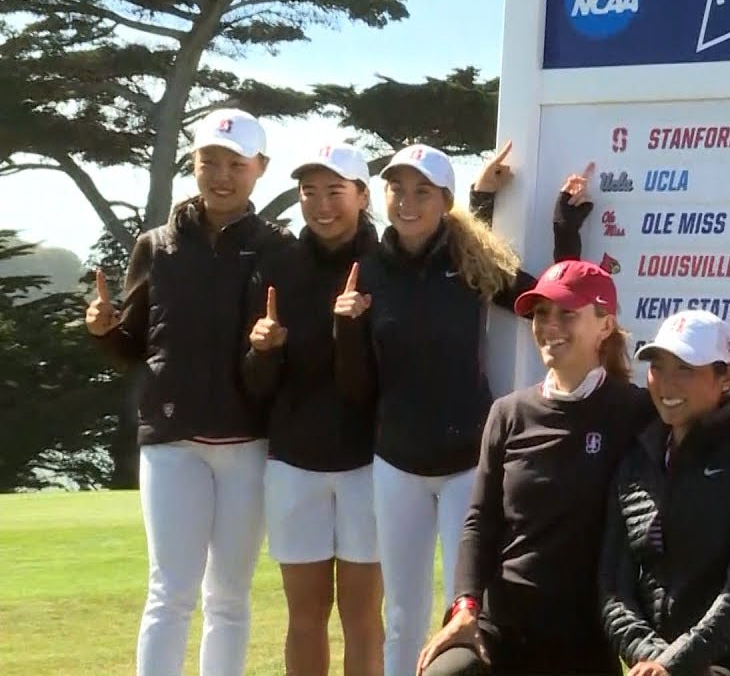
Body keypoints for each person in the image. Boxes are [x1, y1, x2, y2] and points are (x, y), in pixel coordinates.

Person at [416, 261, 730, 676]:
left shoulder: (637, 412)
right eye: (541, 313)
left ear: (605, 326)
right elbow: (480, 521)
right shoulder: (510, 414)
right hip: (505, 626)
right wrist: (465, 605)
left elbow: (710, 422)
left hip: (588, 639)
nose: (550, 325)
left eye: (567, 313)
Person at [332, 141, 595, 676]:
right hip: (396, 462)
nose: (407, 202)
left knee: (470, 612)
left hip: (467, 467)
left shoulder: (470, 263)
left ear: (445, 200)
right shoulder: (369, 270)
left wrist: (565, 225)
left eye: (422, 192)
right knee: (402, 615)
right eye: (397, 190)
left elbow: (548, 300)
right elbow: (357, 384)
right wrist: (346, 327)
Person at [84, 108, 293, 676]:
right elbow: (134, 345)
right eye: (209, 162)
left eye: (236, 164)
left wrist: (270, 347)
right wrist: (104, 331)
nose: (221, 176)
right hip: (171, 440)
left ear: (260, 167)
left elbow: (288, 354)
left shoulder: (279, 247)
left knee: (228, 596)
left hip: (247, 441)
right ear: (193, 164)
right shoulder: (156, 246)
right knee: (169, 591)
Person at [241, 142, 384, 676]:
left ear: (362, 196)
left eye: (335, 191)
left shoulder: (386, 264)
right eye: (310, 192)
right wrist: (263, 351)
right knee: (304, 617)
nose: (322, 205)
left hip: (369, 463)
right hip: (294, 463)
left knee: (363, 617)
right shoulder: (278, 265)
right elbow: (256, 386)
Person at [600, 309, 730, 676]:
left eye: (685, 369)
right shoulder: (635, 461)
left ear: (727, 377)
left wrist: (672, 665)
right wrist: (654, 659)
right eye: (657, 367)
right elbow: (614, 590)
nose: (667, 383)